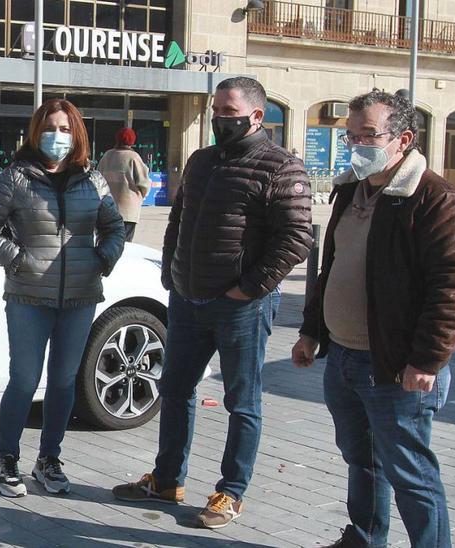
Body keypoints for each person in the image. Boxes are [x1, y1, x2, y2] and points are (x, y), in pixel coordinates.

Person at [112, 76, 312, 529]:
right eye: (216, 109)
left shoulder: (281, 167)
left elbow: (296, 238)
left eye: (229, 110)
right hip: (187, 298)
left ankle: (230, 491)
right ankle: (166, 479)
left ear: (256, 116)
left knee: (241, 401)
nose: (219, 117)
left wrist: (249, 288)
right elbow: (178, 220)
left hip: (240, 306)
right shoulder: (202, 161)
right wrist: (170, 272)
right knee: (176, 390)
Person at [292, 90, 455, 548]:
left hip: (396, 367)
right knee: (362, 461)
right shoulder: (352, 189)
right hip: (344, 359)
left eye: (368, 135)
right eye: (352, 135)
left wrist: (427, 360)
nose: (358, 145)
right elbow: (332, 264)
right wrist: (311, 332)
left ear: (403, 139)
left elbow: (454, 289)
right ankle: (364, 537)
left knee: (411, 475)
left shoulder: (436, 200)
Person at [0, 99, 126, 498]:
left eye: (65, 129)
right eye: (50, 128)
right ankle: (6, 460)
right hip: (28, 296)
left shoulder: (93, 179)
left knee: (63, 382)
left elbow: (114, 227)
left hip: (80, 296)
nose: (58, 136)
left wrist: (102, 258)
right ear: (36, 132)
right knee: (24, 379)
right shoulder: (16, 177)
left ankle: (49, 459)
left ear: (77, 135)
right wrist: (16, 258)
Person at [97, 127, 151, 242]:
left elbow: (97, 179)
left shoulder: (106, 156)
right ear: (132, 141)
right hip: (128, 212)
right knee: (125, 245)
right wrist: (141, 195)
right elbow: (144, 183)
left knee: (106, 242)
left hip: (107, 209)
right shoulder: (133, 157)